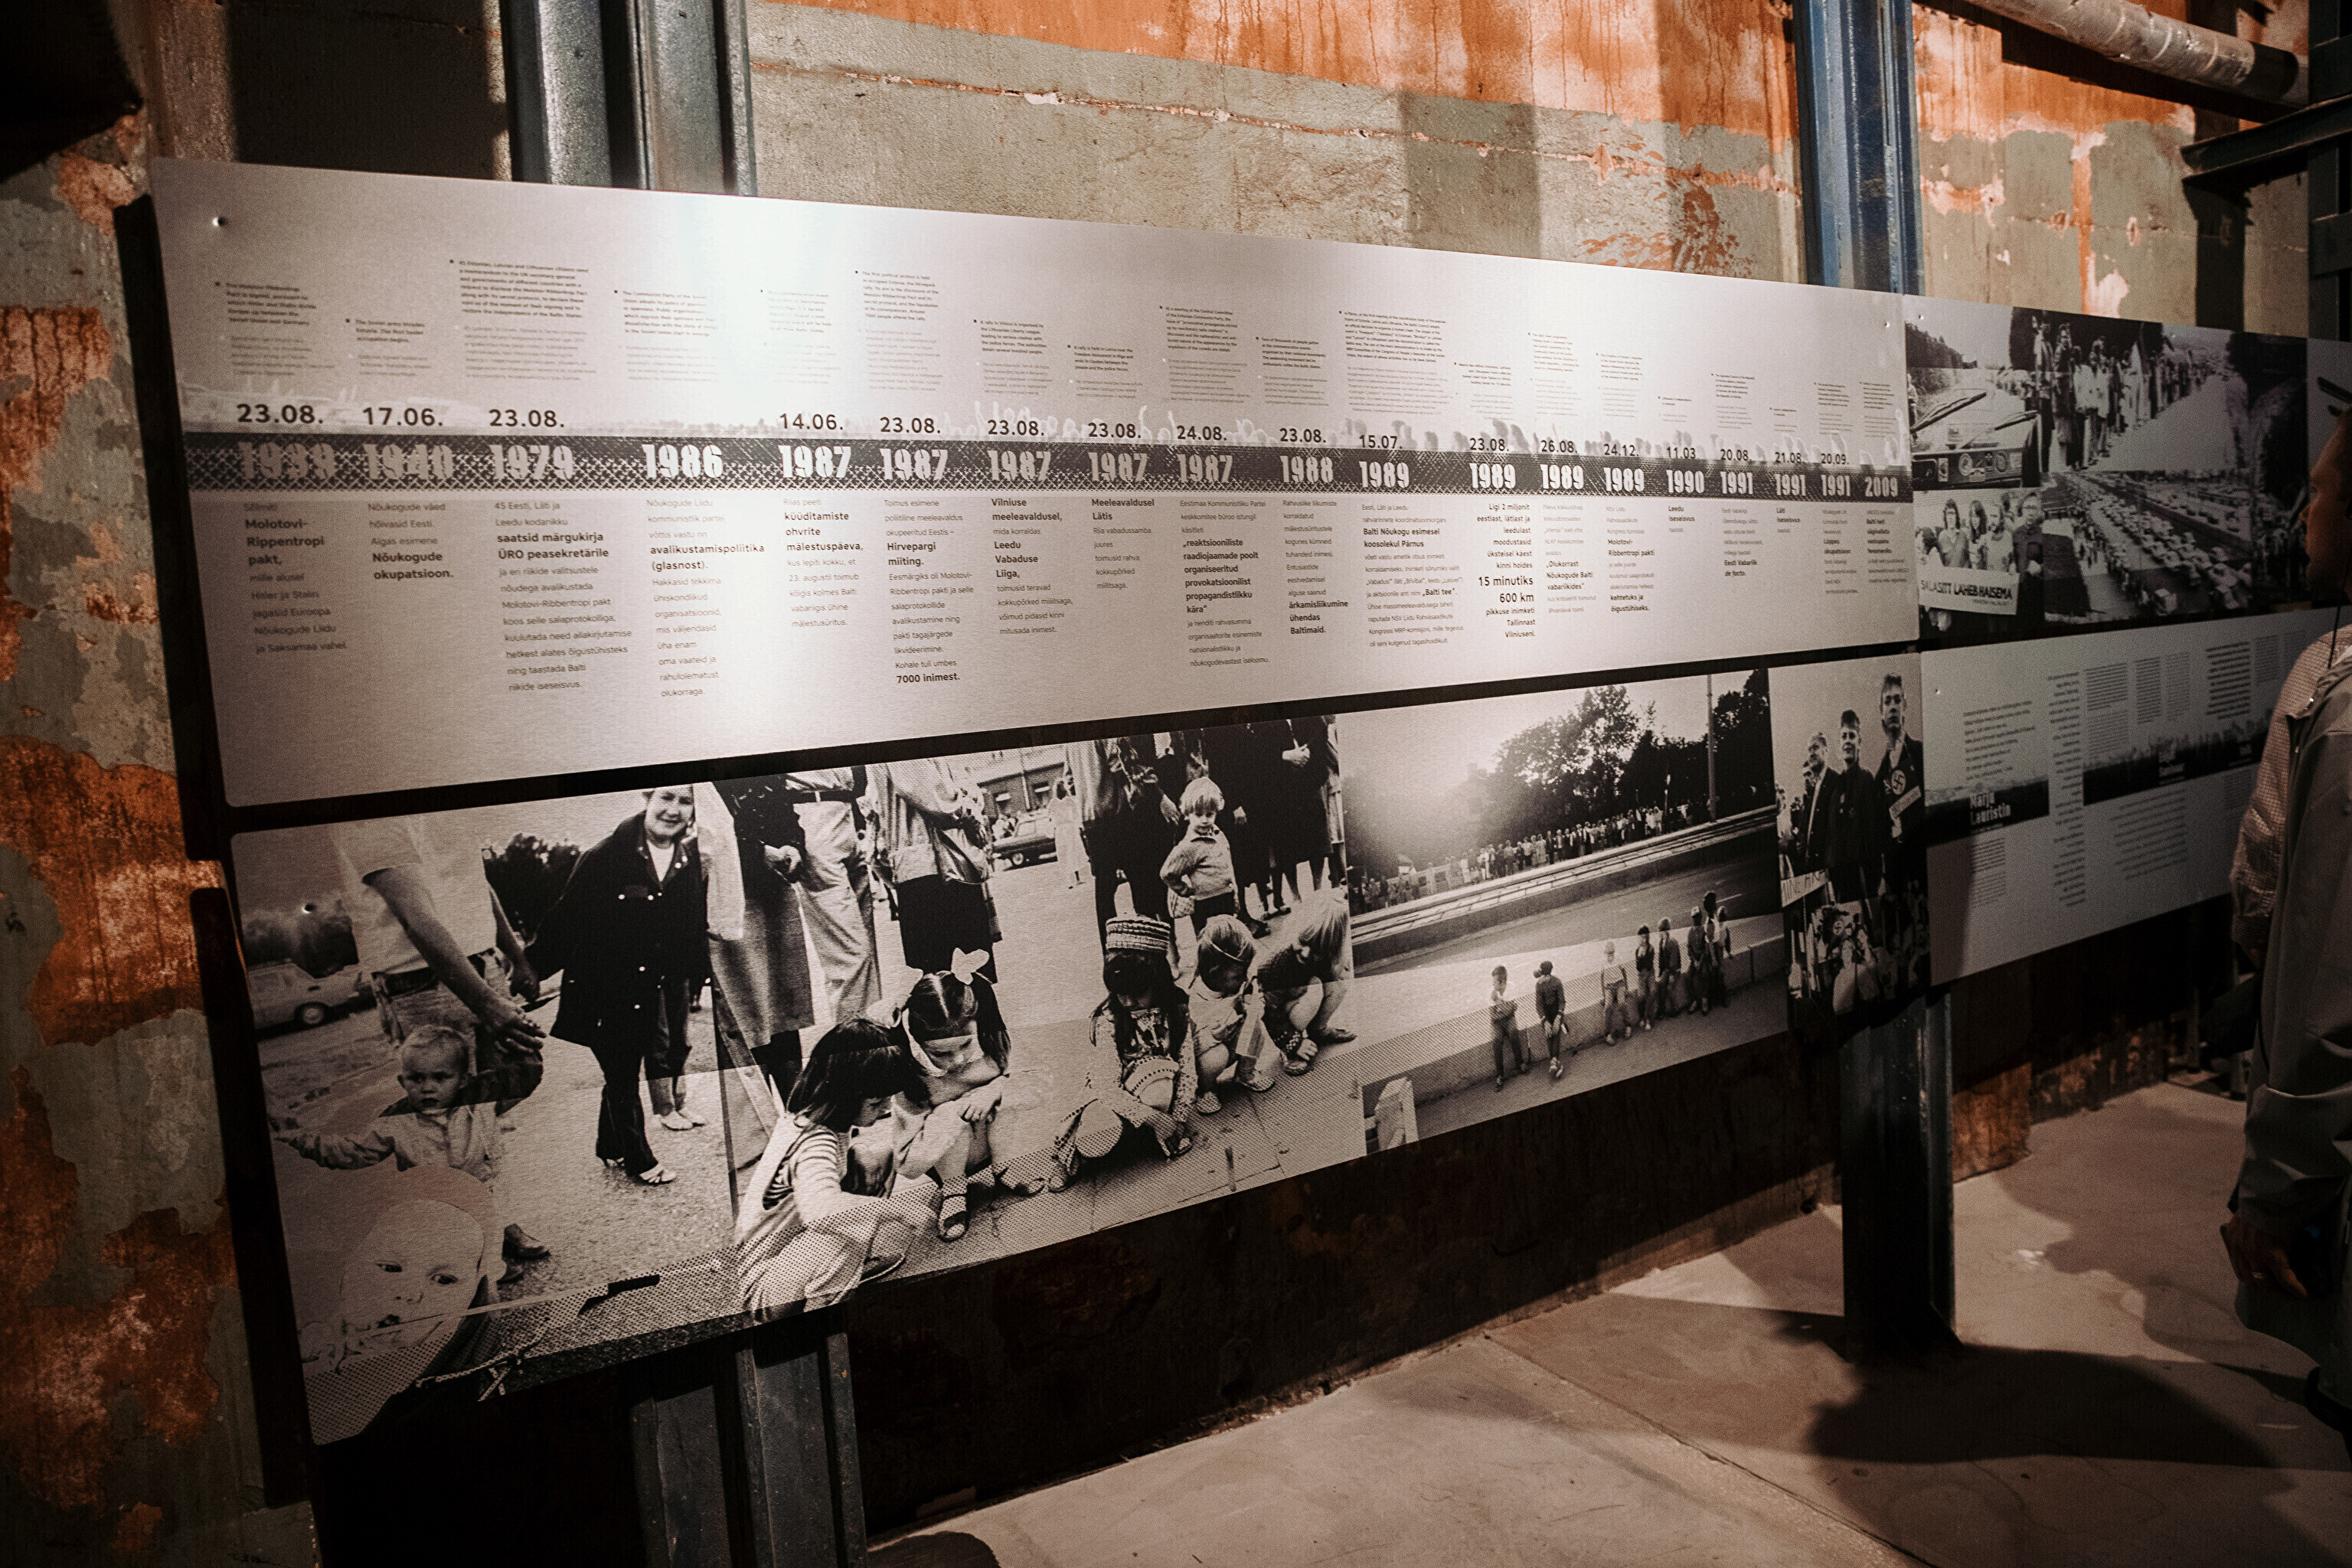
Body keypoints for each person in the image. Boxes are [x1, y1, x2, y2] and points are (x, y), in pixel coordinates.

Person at [2223, 410, 2352, 1460]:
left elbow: (2321, 994)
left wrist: (2274, 1186)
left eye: (2324, 490)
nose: (2305, 511)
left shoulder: (2337, 709)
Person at [532, 786, 708, 1186]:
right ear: (648, 799)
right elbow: (565, 920)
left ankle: (608, 1144)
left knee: (623, 1065)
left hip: (654, 984)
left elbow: (689, 926)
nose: (674, 810)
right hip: (605, 984)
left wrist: (692, 972)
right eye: (666, 798)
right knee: (623, 1070)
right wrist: (530, 973)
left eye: (685, 801)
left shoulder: (688, 860)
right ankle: (639, 1159)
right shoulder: (605, 856)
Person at [277, 1024, 542, 1281]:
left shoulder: (481, 1098)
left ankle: (503, 1240)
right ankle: (478, 1266)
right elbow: (354, 1152)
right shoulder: (395, 1120)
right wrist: (303, 1140)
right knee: (447, 1237)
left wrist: (520, 1042)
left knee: (492, 1211)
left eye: (441, 1078)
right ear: (402, 1082)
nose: (427, 1087)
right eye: (416, 1078)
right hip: (434, 1198)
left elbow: (524, 1079)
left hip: (482, 1183)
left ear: (463, 1080)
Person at [329, 815, 545, 1128]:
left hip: (480, 965)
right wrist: (486, 1004)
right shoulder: (370, 815)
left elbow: (476, 883)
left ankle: (451, 1140)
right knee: (449, 1112)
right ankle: (401, 1142)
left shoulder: (440, 808)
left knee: (518, 1074)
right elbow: (416, 919)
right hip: (422, 978)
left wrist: (517, 957)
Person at [735, 1019, 936, 1321]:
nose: (886, 1108)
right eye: (876, 1102)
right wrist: (898, 1209)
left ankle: (848, 1272)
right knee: (845, 1227)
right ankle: (825, 1323)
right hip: (765, 1287)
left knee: (873, 1158)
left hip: (787, 1259)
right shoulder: (813, 1142)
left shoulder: (816, 1117)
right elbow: (822, 1211)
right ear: (847, 1094)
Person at [1005, 917, 1198, 1193]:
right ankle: (1078, 1154)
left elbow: (1187, 1068)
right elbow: (1106, 1085)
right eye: (1121, 995)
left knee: (1159, 1081)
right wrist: (1153, 1118)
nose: (1129, 1003)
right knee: (1095, 1138)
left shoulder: (1177, 1012)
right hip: (1115, 1096)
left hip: (1156, 1091)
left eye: (1138, 994)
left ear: (1157, 982)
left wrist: (1178, 1119)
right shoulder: (1109, 1020)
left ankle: (1154, 1133)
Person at [705, 776, 819, 1103]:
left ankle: (797, 1106)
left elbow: (786, 814)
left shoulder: (764, 771)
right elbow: (706, 835)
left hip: (775, 892)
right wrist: (758, 853)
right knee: (745, 1014)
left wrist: (793, 846)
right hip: (730, 898)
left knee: (784, 1011)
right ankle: (759, 1117)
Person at [887, 960, 1011, 1243]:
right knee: (949, 1111)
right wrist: (953, 1112)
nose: (957, 1061)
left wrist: (995, 1089)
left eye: (966, 1045)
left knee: (1008, 1091)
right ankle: (954, 1191)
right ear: (918, 1043)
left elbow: (1038, 1081)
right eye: (940, 1054)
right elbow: (907, 1162)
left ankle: (1005, 1167)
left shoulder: (993, 1048)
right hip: (946, 1158)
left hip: (992, 1145)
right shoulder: (914, 1080)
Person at [871, 758, 1000, 979]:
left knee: (954, 971)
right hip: (932, 864)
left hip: (934, 863)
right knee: (951, 973)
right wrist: (966, 807)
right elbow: (928, 791)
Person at [1254, 892, 1354, 1075]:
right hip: (1282, 1014)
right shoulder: (1277, 964)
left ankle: (1318, 1030)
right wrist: (1293, 1043)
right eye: (1303, 941)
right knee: (1314, 992)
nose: (1307, 953)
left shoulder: (1322, 954)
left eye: (1317, 949)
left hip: (1299, 1000)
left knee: (1338, 983)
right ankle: (1291, 1049)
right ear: (1295, 928)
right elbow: (1270, 1013)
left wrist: (1338, 964)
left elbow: (1332, 974)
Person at [1161, 777, 1241, 936]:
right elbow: (1167, 873)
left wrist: (1234, 894)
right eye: (1198, 815)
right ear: (1187, 814)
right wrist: (1184, 890)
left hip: (1226, 897)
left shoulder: (1219, 835)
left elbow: (1228, 865)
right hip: (1205, 904)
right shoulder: (1189, 846)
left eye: (1209, 814)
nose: (1204, 820)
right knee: (1209, 941)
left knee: (1229, 938)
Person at [1488, 965, 1523, 1089]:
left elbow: (1511, 1011)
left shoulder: (1511, 987)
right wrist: (1506, 1009)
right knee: (1496, 1041)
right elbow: (1493, 1015)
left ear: (1502, 982)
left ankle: (1520, 1064)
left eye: (1494, 982)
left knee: (1513, 1033)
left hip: (1509, 1019)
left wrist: (1497, 1001)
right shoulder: (1491, 992)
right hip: (1497, 1022)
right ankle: (1500, 1075)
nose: (1492, 984)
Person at [1534, 959, 1568, 1076]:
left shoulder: (1557, 982)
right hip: (1546, 1013)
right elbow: (1539, 1005)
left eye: (1546, 976)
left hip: (1556, 1011)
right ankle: (1554, 1060)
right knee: (1549, 1033)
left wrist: (1558, 1018)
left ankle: (1553, 1061)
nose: (1544, 979)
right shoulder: (1539, 985)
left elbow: (1562, 1002)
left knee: (1556, 1031)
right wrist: (1544, 1021)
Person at [1598, 945, 1629, 1046]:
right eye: (1608, 954)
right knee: (1608, 1007)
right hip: (1609, 988)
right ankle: (1607, 1034)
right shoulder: (1602, 962)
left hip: (1620, 985)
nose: (1610, 956)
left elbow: (1624, 973)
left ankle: (1628, 1026)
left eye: (1612, 954)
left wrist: (1627, 989)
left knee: (1622, 1004)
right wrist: (1604, 996)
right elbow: (1602, 979)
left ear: (1614, 953)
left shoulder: (1618, 958)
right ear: (1605, 954)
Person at [1655, 916, 1684, 1018]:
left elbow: (1674, 961)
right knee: (1660, 985)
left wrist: (1671, 975)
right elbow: (1661, 960)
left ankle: (1676, 1009)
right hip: (1667, 970)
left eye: (1659, 930)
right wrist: (1661, 973)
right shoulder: (1662, 942)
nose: (1658, 932)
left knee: (1669, 988)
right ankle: (1662, 1009)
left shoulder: (1672, 942)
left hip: (1674, 971)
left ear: (1664, 931)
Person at [1632, 925, 1656, 1032]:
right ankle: (1642, 1017)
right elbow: (1638, 968)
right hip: (1642, 975)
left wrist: (1644, 955)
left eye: (1643, 937)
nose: (1641, 940)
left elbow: (1649, 966)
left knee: (1653, 991)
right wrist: (1640, 957)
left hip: (1650, 973)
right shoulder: (1637, 950)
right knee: (1641, 996)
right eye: (1640, 937)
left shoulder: (1651, 948)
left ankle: (1648, 1018)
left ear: (1647, 937)